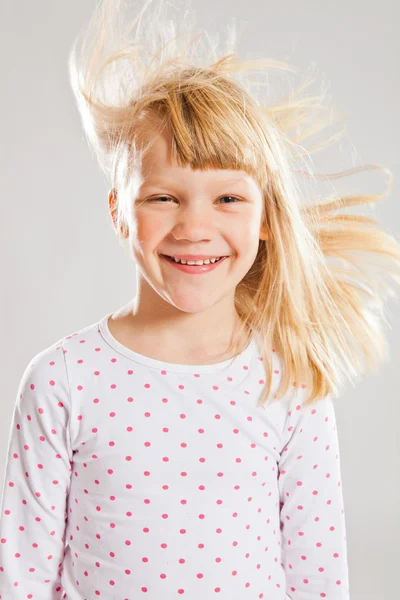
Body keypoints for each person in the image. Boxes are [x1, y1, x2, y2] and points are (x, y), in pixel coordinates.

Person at [1, 0, 400, 598]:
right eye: (164, 198)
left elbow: (318, 574)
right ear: (119, 212)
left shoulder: (289, 380)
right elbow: (21, 574)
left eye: (228, 199)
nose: (194, 227)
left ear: (266, 217)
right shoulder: (63, 381)